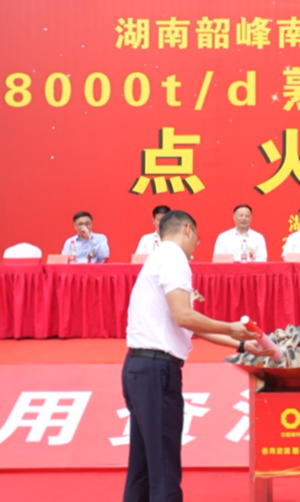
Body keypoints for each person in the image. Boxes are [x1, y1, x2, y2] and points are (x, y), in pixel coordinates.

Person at [122, 210, 269, 502]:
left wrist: (241, 344)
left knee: (143, 467)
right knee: (164, 468)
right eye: (197, 239)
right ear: (187, 229)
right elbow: (185, 316)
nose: (195, 247)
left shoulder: (157, 257)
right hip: (157, 371)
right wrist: (232, 327)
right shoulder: (174, 257)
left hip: (138, 368)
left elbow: (187, 325)